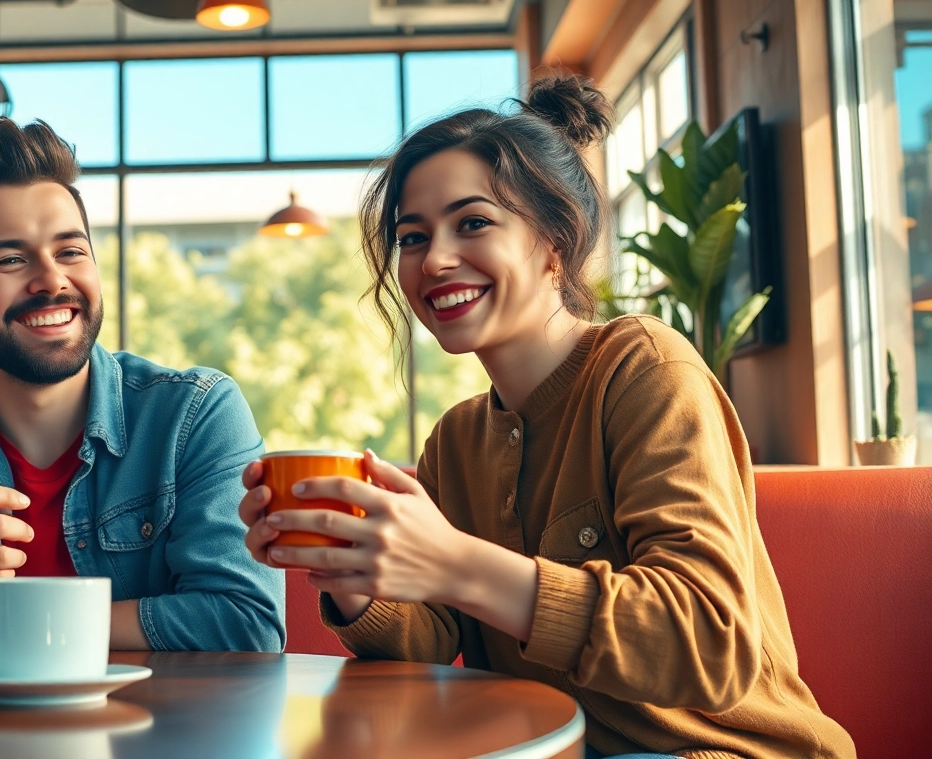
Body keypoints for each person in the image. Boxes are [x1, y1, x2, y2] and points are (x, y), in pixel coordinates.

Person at [238, 75, 855, 758]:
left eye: (472, 223)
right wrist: (353, 575)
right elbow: (430, 646)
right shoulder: (457, 439)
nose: (434, 259)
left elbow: (709, 642)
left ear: (554, 242)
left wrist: (457, 563)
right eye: (412, 239)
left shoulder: (645, 368)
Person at [0, 117, 283, 653]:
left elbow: (245, 622)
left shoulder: (194, 414)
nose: (52, 279)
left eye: (71, 251)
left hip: (153, 735)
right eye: (9, 259)